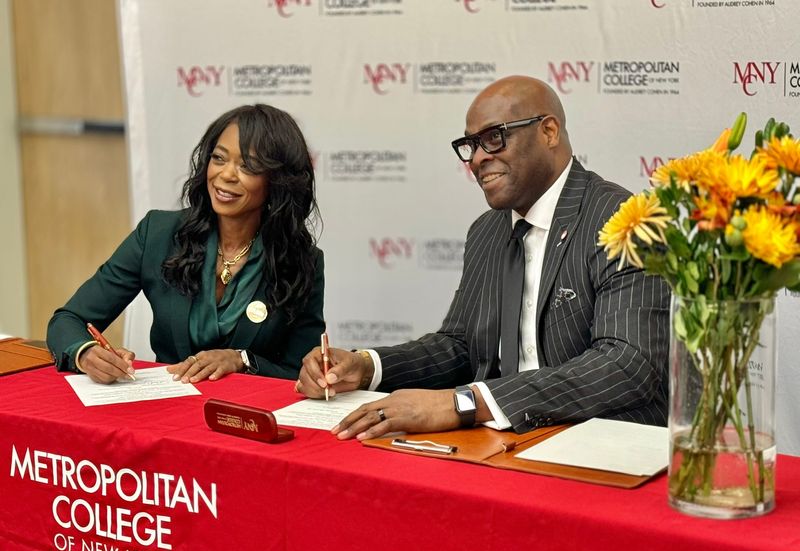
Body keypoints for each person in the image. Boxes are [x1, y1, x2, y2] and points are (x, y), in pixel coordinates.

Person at [297, 75, 669, 440]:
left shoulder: (622, 219)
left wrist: (466, 403)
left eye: (494, 138)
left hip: (603, 444)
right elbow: (460, 346)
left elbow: (626, 363)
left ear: (549, 132)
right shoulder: (486, 231)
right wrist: (365, 367)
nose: (476, 159)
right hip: (502, 442)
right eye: (471, 146)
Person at [48, 104, 324, 384]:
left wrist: (242, 360)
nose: (226, 175)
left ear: (277, 181)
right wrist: (86, 354)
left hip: (246, 416)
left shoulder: (301, 261)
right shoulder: (158, 234)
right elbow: (68, 320)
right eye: (219, 158)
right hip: (168, 411)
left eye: (247, 166)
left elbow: (302, 373)